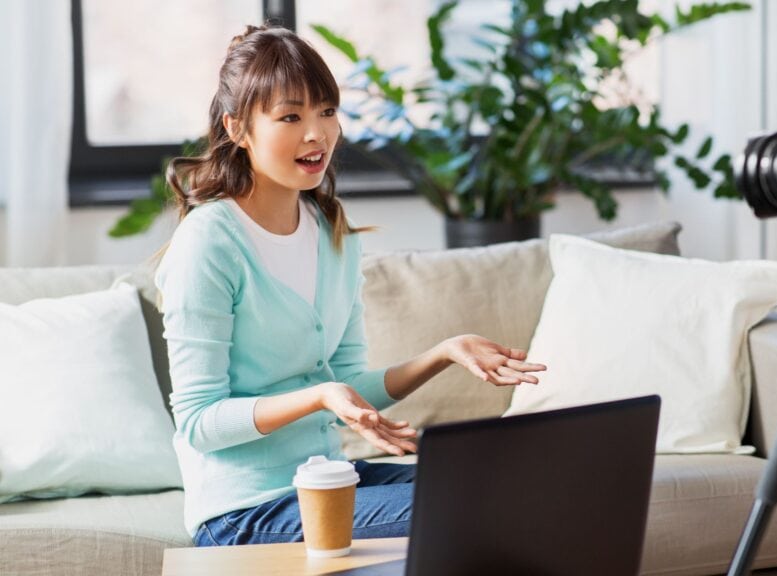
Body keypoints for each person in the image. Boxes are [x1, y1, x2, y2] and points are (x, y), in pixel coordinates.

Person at [153, 24, 546, 547]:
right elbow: (200, 422)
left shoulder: (332, 233)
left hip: (328, 481)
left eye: (327, 111)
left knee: (516, 489)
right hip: (245, 510)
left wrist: (443, 353)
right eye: (290, 116)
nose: (316, 134)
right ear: (238, 128)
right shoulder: (209, 243)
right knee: (469, 510)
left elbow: (347, 386)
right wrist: (318, 396)